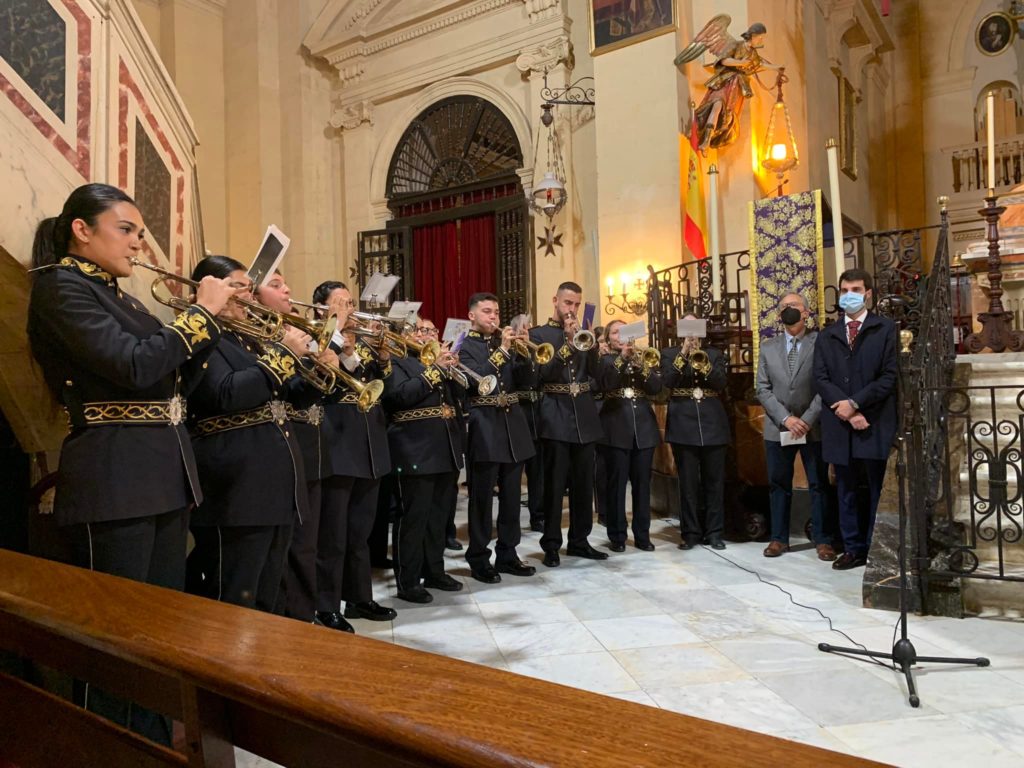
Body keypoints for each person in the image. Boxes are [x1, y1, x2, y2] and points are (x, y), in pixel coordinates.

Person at [26, 183, 233, 745]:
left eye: (141, 232)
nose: (139, 244)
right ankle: (109, 749)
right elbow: (133, 365)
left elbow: (172, 380)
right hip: (114, 476)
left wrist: (209, 328)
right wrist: (199, 317)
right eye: (127, 229)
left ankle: (151, 746)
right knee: (113, 643)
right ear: (82, 230)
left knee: (158, 635)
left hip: (162, 473)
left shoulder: (127, 298)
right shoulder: (60, 287)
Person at [186, 256, 311, 613]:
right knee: (236, 594)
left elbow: (283, 397)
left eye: (248, 288)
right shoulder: (203, 335)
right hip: (237, 489)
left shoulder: (247, 340)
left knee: (268, 591)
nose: (250, 296)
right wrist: (284, 355)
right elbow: (226, 394)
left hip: (272, 483)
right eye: (239, 287)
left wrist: (319, 376)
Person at [254, 273, 342, 624]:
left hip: (306, 446)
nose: (288, 289)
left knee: (307, 543)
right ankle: (289, 619)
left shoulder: (289, 331)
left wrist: (325, 367)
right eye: (276, 284)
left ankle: (304, 616)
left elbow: (305, 393)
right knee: (282, 550)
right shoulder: (261, 335)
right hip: (273, 452)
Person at [314, 280, 397, 631]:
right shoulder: (318, 339)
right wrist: (341, 344)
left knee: (360, 533)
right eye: (342, 303)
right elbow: (329, 383)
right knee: (333, 535)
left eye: (350, 301)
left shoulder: (359, 342)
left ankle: (360, 597)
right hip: (337, 445)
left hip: (368, 445)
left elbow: (382, 387)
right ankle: (326, 604)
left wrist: (382, 357)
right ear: (323, 309)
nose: (350, 308)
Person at [814, 268, 897, 570]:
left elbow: (888, 377)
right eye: (845, 290)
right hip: (840, 423)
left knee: (877, 487)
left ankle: (877, 548)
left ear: (869, 294)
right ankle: (852, 548)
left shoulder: (884, 328)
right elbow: (820, 378)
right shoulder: (827, 334)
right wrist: (846, 410)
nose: (850, 295)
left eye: (857, 289)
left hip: (873, 420)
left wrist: (856, 404)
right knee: (845, 489)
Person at [382, 320, 465, 602]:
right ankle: (407, 581)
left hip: (445, 447)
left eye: (431, 331)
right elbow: (398, 397)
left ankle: (434, 570)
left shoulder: (438, 361)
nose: (428, 335)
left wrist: (453, 370)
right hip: (413, 448)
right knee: (414, 517)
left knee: (439, 517)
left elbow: (460, 399)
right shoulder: (396, 360)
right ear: (404, 336)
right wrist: (436, 370)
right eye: (421, 331)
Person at [459, 293, 537, 582]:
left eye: (496, 312)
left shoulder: (506, 344)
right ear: (472, 316)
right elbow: (473, 380)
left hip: (513, 426)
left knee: (512, 497)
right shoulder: (464, 345)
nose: (493, 317)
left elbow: (527, 381)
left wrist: (525, 353)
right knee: (482, 498)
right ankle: (478, 557)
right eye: (487, 312)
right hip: (485, 426)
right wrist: (502, 353)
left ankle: (508, 553)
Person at [529, 281, 606, 567]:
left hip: (584, 417)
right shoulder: (540, 335)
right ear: (556, 301)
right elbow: (541, 375)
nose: (571, 309)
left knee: (584, 485)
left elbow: (599, 377)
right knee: (554, 484)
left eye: (575, 304)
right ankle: (550, 544)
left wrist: (593, 349)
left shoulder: (586, 333)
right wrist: (567, 346)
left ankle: (579, 541)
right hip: (555, 415)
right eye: (567, 303)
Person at [755, 292, 835, 561]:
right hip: (779, 428)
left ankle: (823, 539)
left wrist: (807, 419)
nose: (789, 310)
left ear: (806, 312)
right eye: (784, 307)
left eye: (794, 306)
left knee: (818, 484)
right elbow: (763, 389)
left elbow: (826, 384)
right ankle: (779, 538)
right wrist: (786, 419)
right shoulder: (768, 347)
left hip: (813, 427)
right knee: (779, 484)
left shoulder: (820, 342)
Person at [661, 315, 730, 550]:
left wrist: (703, 360)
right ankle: (690, 533)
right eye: (686, 327)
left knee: (714, 482)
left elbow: (720, 383)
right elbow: (668, 381)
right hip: (683, 423)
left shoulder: (714, 354)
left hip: (712, 422)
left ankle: (714, 532)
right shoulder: (669, 354)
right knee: (688, 483)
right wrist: (683, 353)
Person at [596, 320, 663, 551]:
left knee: (642, 484)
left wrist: (637, 362)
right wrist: (622, 358)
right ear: (608, 338)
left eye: (623, 331)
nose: (620, 336)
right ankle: (617, 536)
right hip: (615, 427)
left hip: (643, 427)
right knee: (616, 485)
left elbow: (655, 388)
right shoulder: (604, 360)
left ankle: (643, 535)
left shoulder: (642, 358)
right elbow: (606, 383)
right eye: (615, 332)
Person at [510, 312, 544, 533]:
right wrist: (521, 352)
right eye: (523, 327)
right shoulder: (510, 351)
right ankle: (511, 519)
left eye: (530, 326)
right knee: (514, 473)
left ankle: (538, 516)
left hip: (538, 413)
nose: (527, 330)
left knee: (538, 471)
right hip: (518, 413)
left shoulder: (537, 349)